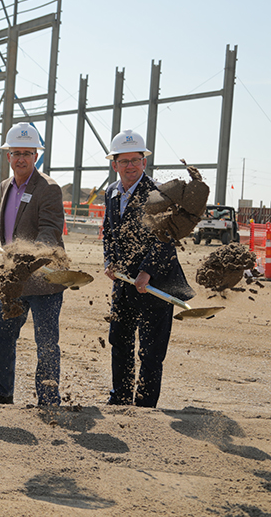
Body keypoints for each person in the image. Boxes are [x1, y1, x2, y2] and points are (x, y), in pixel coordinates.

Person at [102, 129, 194, 407]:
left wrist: (147, 271)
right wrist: (109, 260)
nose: (130, 165)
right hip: (125, 282)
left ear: (144, 162)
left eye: (136, 159)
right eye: (124, 160)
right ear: (114, 164)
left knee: (151, 350)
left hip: (156, 284)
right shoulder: (110, 193)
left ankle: (145, 405)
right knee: (120, 342)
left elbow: (165, 239)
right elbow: (109, 231)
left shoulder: (158, 194)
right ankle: (120, 397)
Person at [0, 124, 66, 406]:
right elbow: (8, 221)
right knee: (3, 338)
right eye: (16, 152)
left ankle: (49, 398)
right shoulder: (6, 185)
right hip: (13, 280)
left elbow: (50, 230)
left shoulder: (49, 189)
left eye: (27, 153)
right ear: (8, 156)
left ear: (36, 156)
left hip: (44, 279)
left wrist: (28, 257)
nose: (21, 159)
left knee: (46, 343)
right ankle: (2, 393)